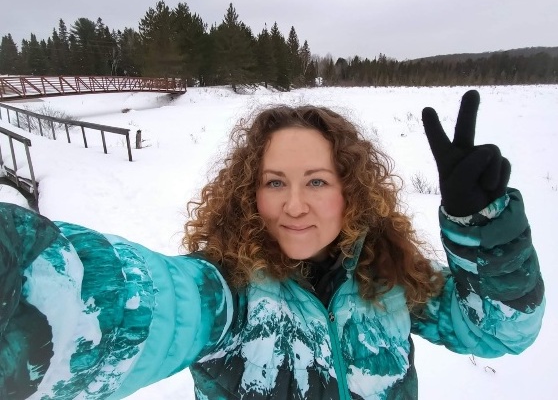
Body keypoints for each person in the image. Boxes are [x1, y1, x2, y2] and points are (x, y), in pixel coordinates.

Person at [0, 90, 545, 399]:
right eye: (275, 182)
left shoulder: (389, 275)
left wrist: (484, 227)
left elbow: (502, 330)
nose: (295, 206)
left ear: (349, 191)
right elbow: (129, 304)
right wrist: (26, 275)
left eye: (317, 181)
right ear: (249, 193)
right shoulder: (226, 296)